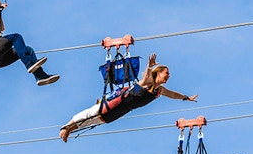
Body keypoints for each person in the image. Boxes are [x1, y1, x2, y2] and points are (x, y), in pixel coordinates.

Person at [59, 53, 197, 142]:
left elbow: (173, 94)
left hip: (125, 108)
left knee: (98, 120)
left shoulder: (159, 90)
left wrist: (186, 97)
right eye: (166, 73)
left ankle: (69, 130)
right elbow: (146, 76)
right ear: (159, 73)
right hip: (119, 100)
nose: (168, 76)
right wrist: (149, 65)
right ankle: (65, 127)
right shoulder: (149, 82)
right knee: (93, 112)